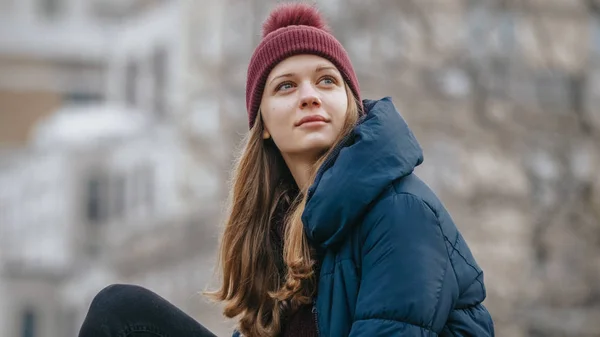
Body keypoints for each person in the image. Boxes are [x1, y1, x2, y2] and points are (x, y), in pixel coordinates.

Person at [78, 3, 495, 337]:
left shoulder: (400, 211)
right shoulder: (278, 231)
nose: (310, 96)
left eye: (327, 81)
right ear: (262, 126)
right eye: (286, 86)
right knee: (123, 313)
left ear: (351, 103)